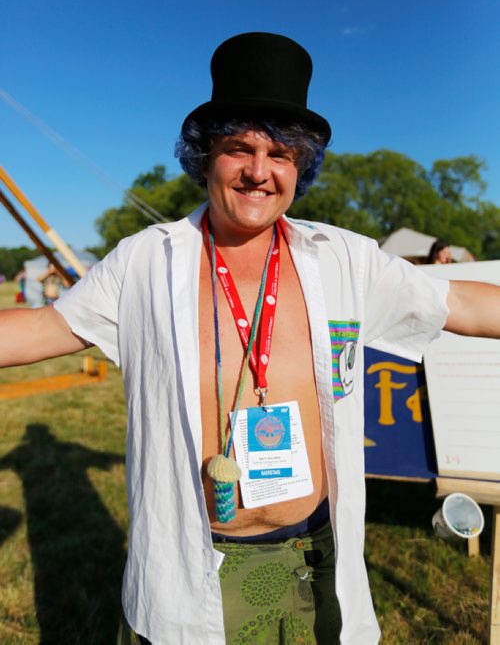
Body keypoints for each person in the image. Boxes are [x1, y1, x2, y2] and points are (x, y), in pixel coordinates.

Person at [1, 32, 500, 645]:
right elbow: (43, 327)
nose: (260, 171)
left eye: (281, 153)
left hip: (319, 564)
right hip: (192, 577)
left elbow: (462, 303)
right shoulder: (145, 262)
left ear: (301, 167)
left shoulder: (343, 258)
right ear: (206, 156)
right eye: (240, 148)